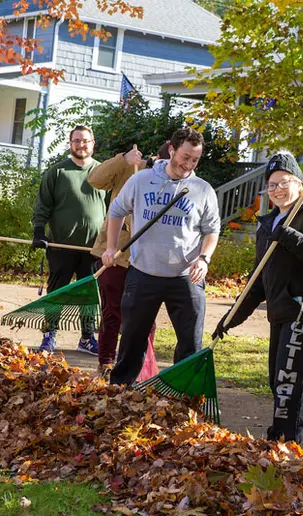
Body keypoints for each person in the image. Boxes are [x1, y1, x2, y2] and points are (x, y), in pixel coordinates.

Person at [212, 152, 303, 444]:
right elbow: (259, 279)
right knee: (278, 379)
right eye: (271, 185)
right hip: (283, 310)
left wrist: (290, 237)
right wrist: (232, 317)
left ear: (298, 182)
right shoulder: (269, 222)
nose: (277, 190)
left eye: (283, 182)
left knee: (290, 384)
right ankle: (279, 441)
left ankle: (285, 446)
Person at [102, 127, 221, 386]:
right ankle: (120, 390)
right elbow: (117, 210)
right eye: (185, 156)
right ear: (171, 150)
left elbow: (212, 230)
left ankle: (185, 395)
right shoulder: (141, 180)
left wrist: (204, 258)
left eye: (195, 160)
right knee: (132, 338)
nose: (188, 164)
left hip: (186, 276)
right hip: (143, 273)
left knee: (190, 342)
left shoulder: (203, 190)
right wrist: (111, 248)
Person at [31, 125, 106, 354]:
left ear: (93, 143)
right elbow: (42, 204)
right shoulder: (57, 172)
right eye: (76, 141)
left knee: (89, 296)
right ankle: (49, 336)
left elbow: (117, 209)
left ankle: (86, 339)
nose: (81, 145)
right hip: (61, 246)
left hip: (94, 249)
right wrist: (38, 231)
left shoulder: (104, 173)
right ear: (70, 143)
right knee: (57, 293)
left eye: (85, 140)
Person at [88, 143, 157, 379]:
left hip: (148, 259)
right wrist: (123, 159)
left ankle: (142, 367)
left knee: (146, 316)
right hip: (115, 255)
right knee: (112, 312)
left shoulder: (178, 183)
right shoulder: (132, 168)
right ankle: (106, 364)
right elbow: (95, 179)